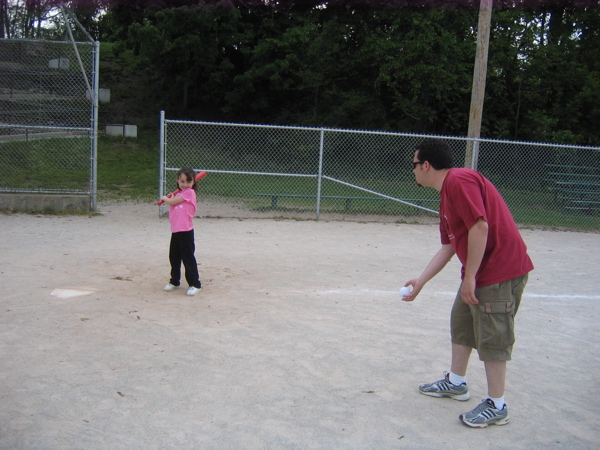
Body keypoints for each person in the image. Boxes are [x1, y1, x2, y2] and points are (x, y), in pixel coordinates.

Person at [401, 138, 534, 428]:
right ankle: (457, 383)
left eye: (414, 165)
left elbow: (480, 226)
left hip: (499, 270)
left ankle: (497, 405)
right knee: (461, 322)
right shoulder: (446, 194)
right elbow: (449, 245)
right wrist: (422, 280)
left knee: (493, 335)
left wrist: (471, 276)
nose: (412, 171)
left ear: (426, 165)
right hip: (480, 270)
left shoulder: (459, 180)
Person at [161, 168, 202, 296]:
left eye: (188, 181)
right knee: (174, 257)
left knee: (188, 257)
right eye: (182, 181)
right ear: (177, 181)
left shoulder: (189, 192)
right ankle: (174, 281)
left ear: (193, 182)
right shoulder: (180, 194)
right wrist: (172, 197)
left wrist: (165, 199)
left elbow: (172, 202)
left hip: (186, 231)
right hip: (176, 230)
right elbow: (175, 203)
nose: (185, 184)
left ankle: (195, 284)